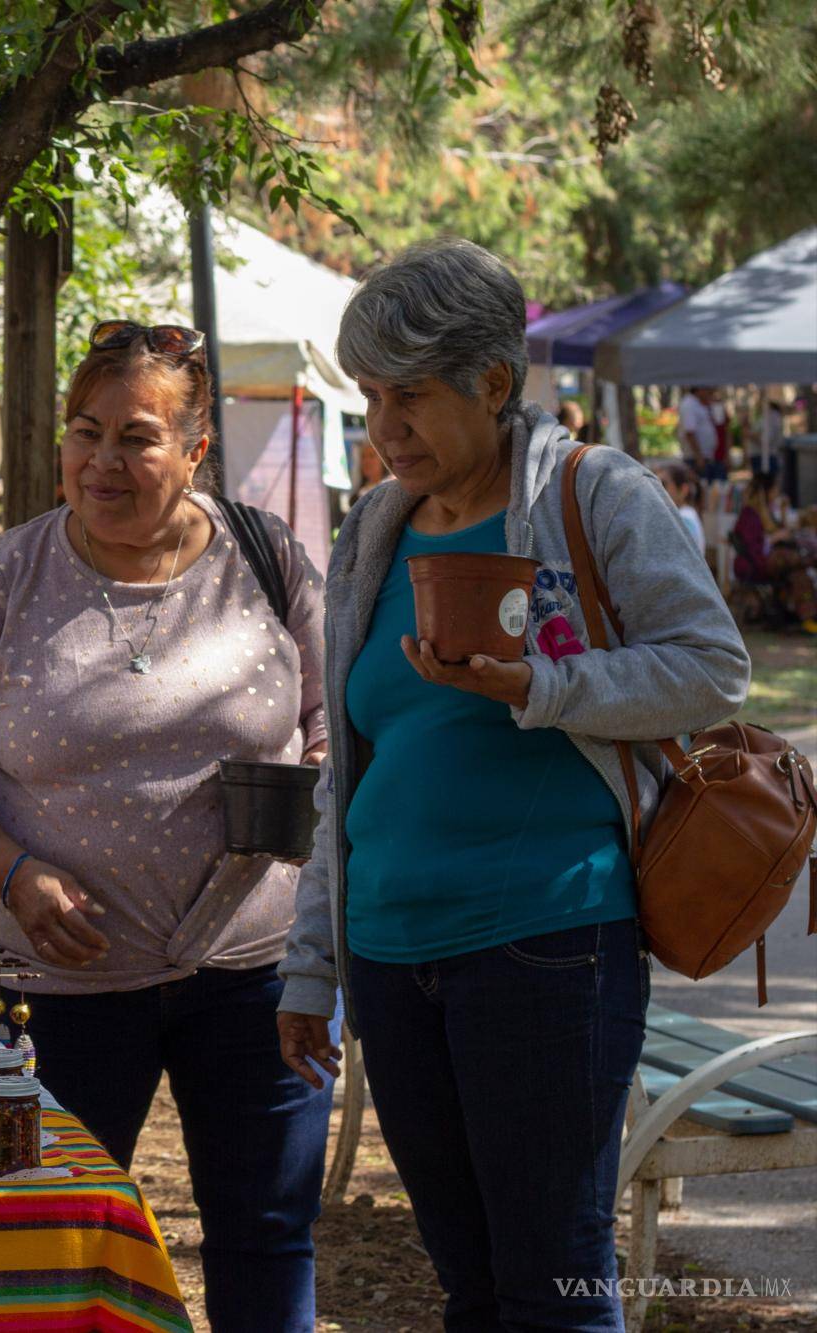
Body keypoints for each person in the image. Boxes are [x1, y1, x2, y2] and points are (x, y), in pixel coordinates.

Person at [276, 238, 749, 1332]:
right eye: (368, 398)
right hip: (392, 960)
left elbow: (710, 667)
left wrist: (539, 683)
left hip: (545, 947)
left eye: (407, 399)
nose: (382, 428)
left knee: (555, 1280)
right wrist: (312, 966)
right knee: (469, 1285)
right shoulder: (373, 529)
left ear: (491, 384)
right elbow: (348, 772)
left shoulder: (593, 493)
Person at [0, 321, 332, 1332]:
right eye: (83, 432)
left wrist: (306, 795)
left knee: (266, 1236)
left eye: (137, 437)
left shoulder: (267, 562)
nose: (102, 462)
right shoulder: (9, 575)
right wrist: (11, 871)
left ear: (193, 452)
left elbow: (333, 723)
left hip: (257, 976)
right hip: (58, 986)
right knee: (44, 1248)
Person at [732, 469, 817, 629]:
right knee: (795, 560)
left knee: (798, 575)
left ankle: (805, 617)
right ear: (767, 492)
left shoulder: (764, 512)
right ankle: (807, 616)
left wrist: (783, 515)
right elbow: (755, 549)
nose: (778, 493)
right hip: (753, 565)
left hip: (762, 562)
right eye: (775, 489)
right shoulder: (750, 514)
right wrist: (774, 538)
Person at [678, 384, 724, 482]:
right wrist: (698, 456)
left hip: (706, 457)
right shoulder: (689, 404)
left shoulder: (701, 404)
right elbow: (690, 432)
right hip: (695, 458)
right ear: (699, 388)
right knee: (700, 487)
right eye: (708, 389)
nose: (710, 392)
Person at [659, 463, 706, 554]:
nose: (657, 489)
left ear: (683, 490)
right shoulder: (685, 515)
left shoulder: (683, 520)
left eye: (663, 484)